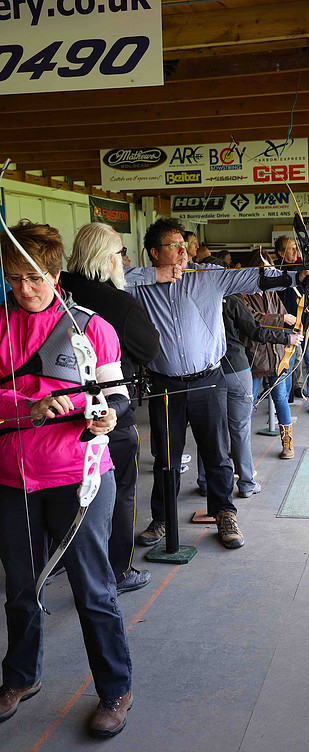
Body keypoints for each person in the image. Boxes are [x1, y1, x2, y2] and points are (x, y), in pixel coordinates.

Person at [0, 220, 132, 738]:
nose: (25, 289)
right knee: (21, 587)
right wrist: (27, 408)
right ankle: (21, 676)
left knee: (93, 589)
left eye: (35, 278)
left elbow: (116, 394)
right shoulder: (1, 324)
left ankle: (115, 689)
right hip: (14, 479)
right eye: (14, 278)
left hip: (79, 477)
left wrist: (107, 416)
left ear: (56, 275)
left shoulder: (91, 327)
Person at [124, 218, 309, 549]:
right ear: (153, 253)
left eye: (184, 245)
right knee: (166, 457)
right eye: (174, 246)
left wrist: (296, 275)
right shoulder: (139, 285)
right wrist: (154, 276)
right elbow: (102, 280)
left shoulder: (207, 278)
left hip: (208, 381)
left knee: (216, 452)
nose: (183, 252)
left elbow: (254, 278)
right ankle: (163, 518)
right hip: (165, 385)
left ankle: (224, 512)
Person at [61, 222, 160, 596]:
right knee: (118, 493)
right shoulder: (118, 302)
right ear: (108, 259)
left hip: (60, 411)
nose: (125, 259)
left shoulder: (59, 288)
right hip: (110, 410)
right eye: (120, 253)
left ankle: (65, 561)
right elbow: (149, 349)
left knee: (67, 490)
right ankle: (118, 570)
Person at [198, 286, 303, 494]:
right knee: (240, 428)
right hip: (236, 368)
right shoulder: (232, 300)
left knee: (209, 427)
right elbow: (255, 329)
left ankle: (206, 483)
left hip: (205, 370)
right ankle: (246, 483)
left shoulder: (196, 299)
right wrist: (286, 337)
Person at [239, 249, 302, 459]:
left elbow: (283, 314)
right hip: (254, 355)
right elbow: (252, 319)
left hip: (276, 354)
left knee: (280, 398)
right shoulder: (241, 293)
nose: (269, 274)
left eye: (270, 270)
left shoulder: (271, 292)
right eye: (264, 270)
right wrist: (282, 319)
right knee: (247, 403)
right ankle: (241, 447)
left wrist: (295, 322)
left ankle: (287, 443)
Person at [275, 235, 309, 415]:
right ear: (281, 253)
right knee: (285, 363)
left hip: (308, 321)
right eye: (291, 248)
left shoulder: (305, 266)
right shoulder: (275, 271)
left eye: (297, 247)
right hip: (287, 323)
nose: (296, 251)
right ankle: (283, 404)